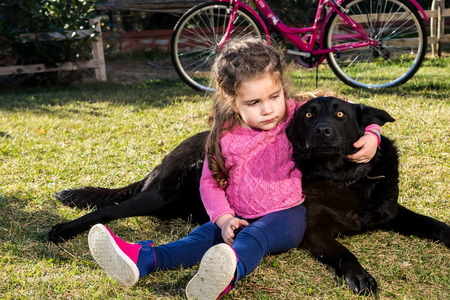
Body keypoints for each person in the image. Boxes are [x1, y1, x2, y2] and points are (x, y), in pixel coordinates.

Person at [87, 38, 381, 299]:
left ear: (282, 89)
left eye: (274, 96)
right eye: (253, 102)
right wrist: (225, 219)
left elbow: (351, 107)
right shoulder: (225, 137)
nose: (267, 109)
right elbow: (210, 184)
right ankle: (143, 259)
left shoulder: (293, 112)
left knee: (256, 237)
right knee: (200, 238)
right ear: (233, 102)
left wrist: (372, 134)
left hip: (287, 215)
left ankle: (228, 273)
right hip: (238, 214)